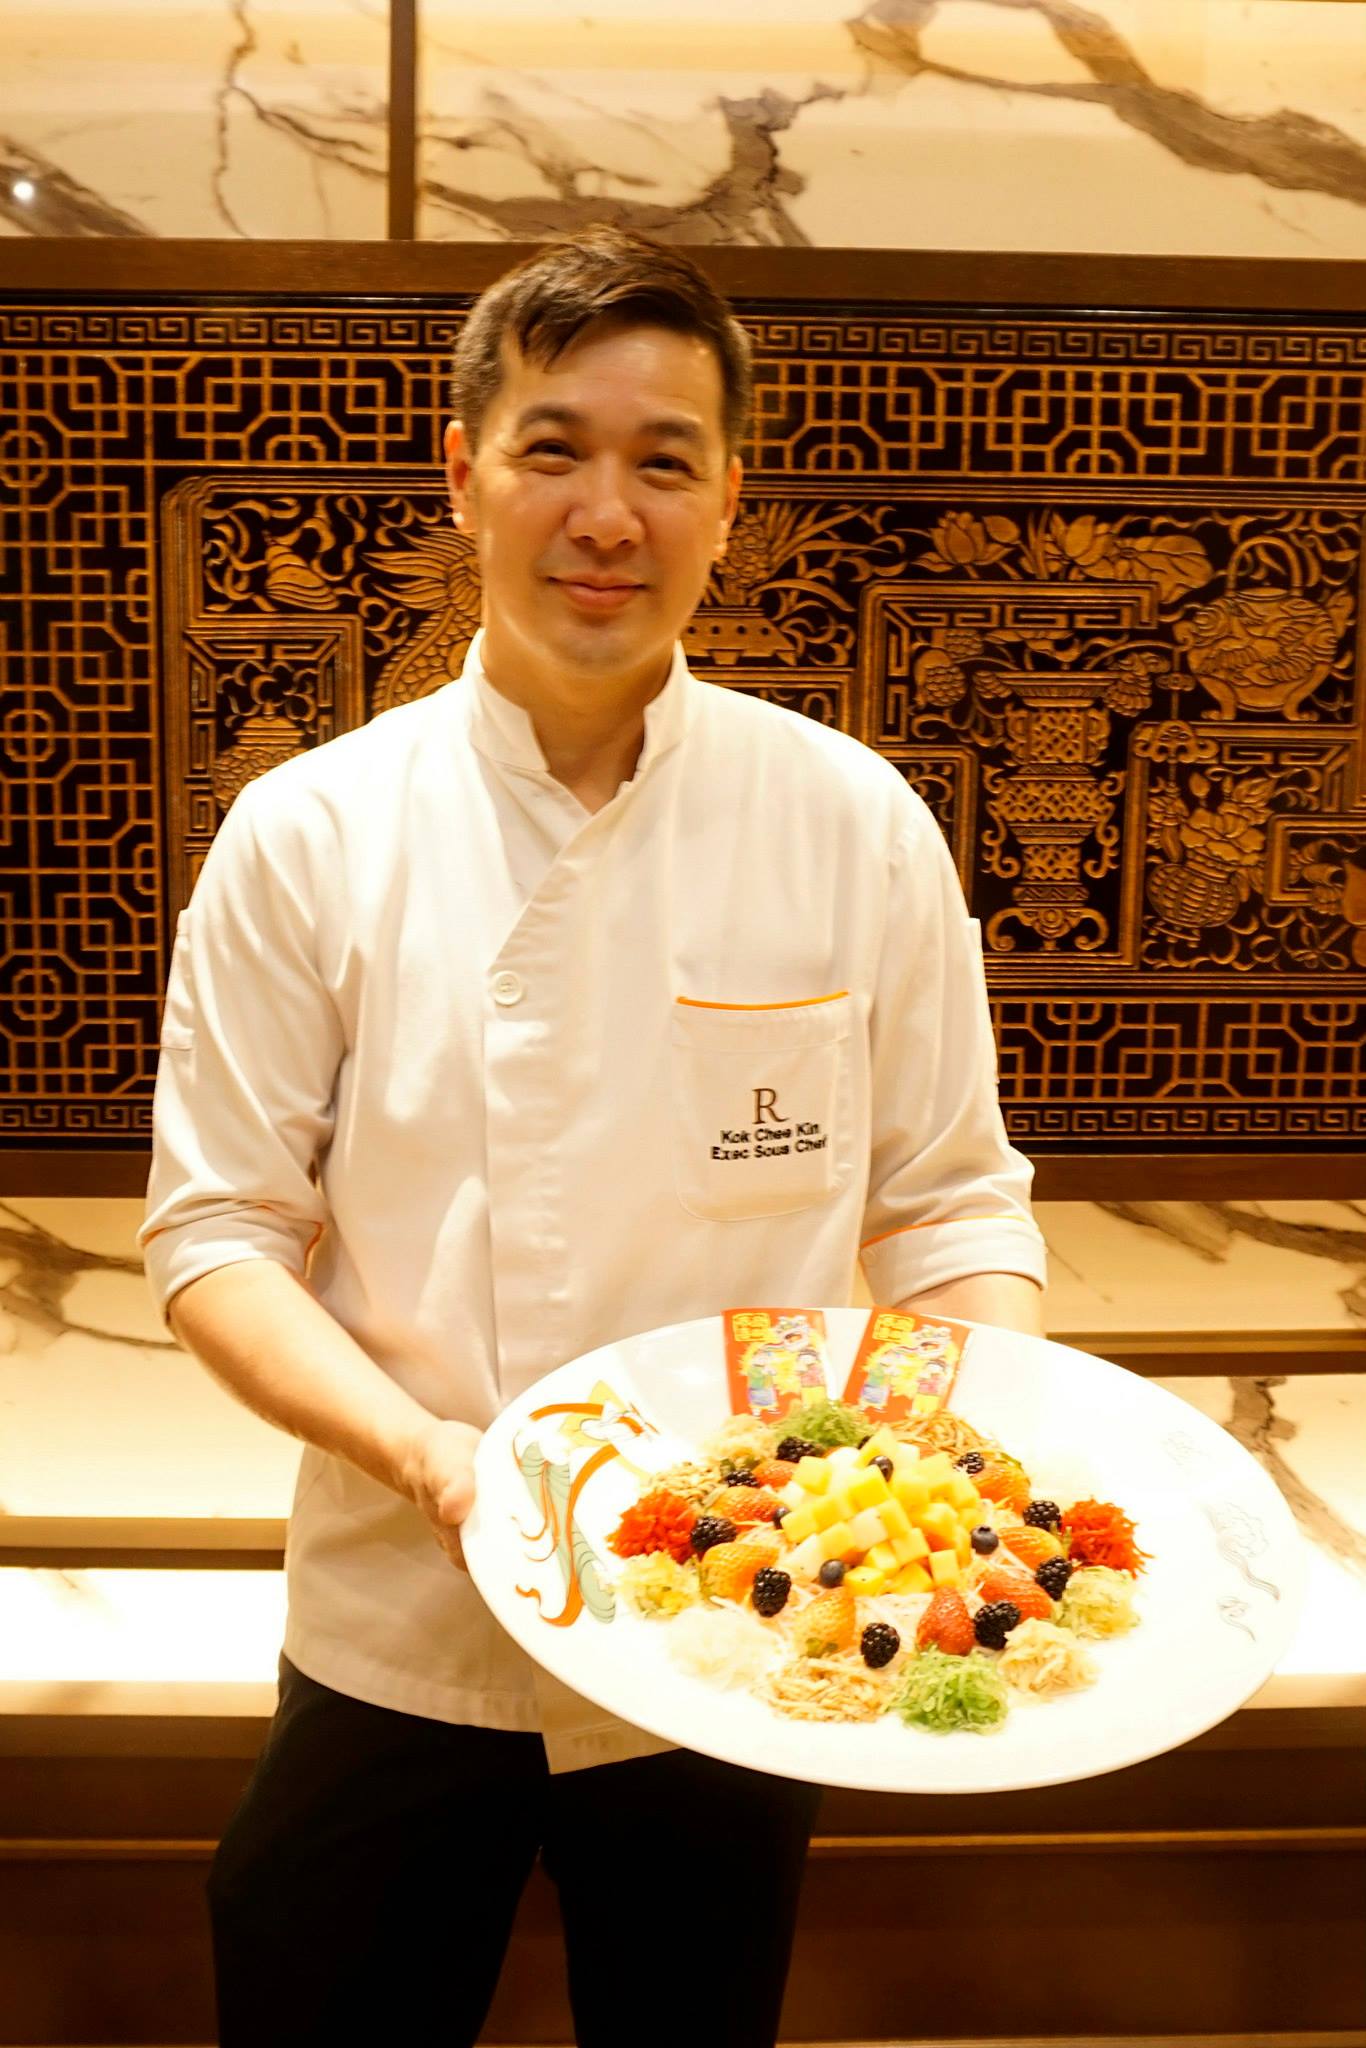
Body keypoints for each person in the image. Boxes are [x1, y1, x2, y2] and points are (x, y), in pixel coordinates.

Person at [139, 226, 1047, 2047]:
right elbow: (215, 1237)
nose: (605, 515)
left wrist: (931, 1464)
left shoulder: (851, 822)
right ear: (462, 474)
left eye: (664, 462)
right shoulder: (312, 832)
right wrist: (424, 1455)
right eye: (552, 450)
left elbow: (951, 1212)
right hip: (405, 1615)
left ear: (730, 502)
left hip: (739, 1619)